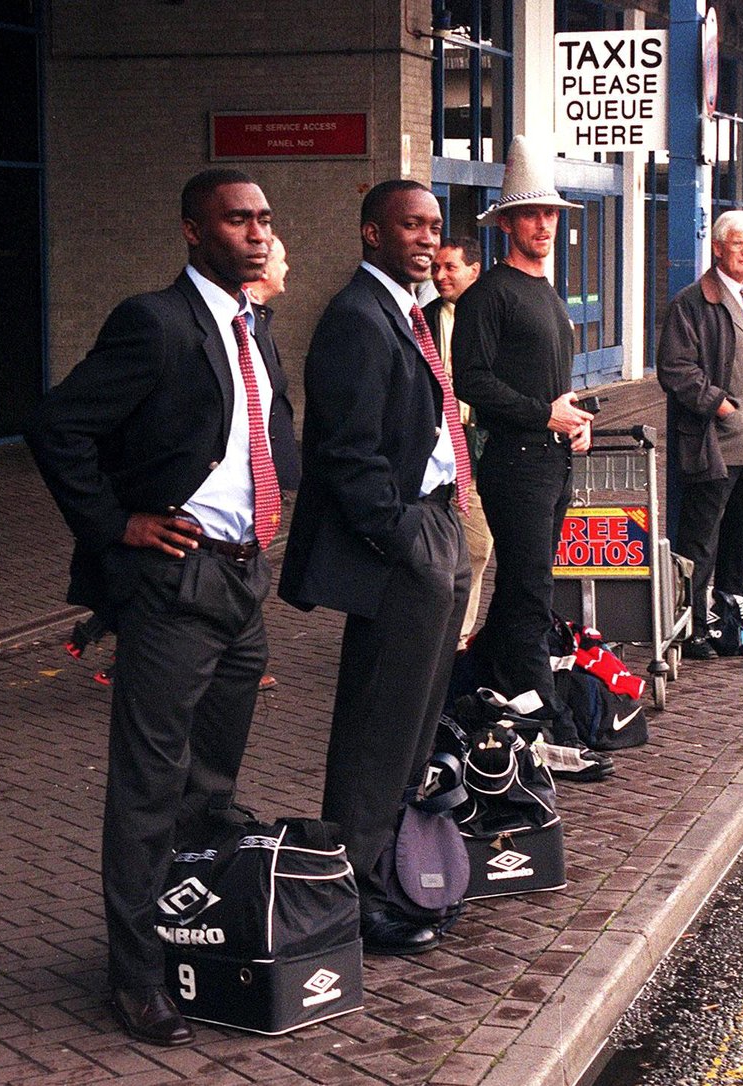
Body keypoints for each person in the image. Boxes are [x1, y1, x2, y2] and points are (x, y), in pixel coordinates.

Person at [24, 168, 298, 1046]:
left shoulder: (256, 331)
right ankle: (134, 976)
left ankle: (192, 925)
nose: (256, 233)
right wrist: (118, 526)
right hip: (174, 585)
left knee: (211, 786)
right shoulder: (154, 321)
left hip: (241, 583)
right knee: (148, 786)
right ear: (192, 231)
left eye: (262, 219)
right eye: (236, 219)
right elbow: (58, 426)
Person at [279, 180, 471, 957]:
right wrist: (398, 534)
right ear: (371, 233)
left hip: (434, 520)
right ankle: (352, 893)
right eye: (410, 226)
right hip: (402, 538)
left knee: (416, 720)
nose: (427, 239)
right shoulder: (356, 318)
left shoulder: (405, 311)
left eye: (433, 226)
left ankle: (393, 867)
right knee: (377, 724)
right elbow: (346, 450)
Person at [451, 135, 593, 736]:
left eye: (551, 214)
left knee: (524, 585)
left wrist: (575, 422)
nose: (544, 224)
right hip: (515, 463)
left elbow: (549, 383)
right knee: (531, 588)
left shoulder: (544, 292)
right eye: (532, 214)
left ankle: (487, 690)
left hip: (551, 459)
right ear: (507, 222)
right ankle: (545, 717)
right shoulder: (489, 296)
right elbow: (473, 381)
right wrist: (545, 417)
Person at [656, 208, 743, 660]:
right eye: (739, 244)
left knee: (740, 532)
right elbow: (675, 368)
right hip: (717, 441)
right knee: (700, 539)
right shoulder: (694, 301)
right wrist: (719, 402)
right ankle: (691, 627)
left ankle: (732, 614)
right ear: (717, 248)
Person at [424, 236, 493, 648]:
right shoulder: (425, 317)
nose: (440, 275)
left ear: (474, 269)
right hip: (438, 443)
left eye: (450, 267)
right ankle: (442, 631)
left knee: (478, 544)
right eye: (436, 267)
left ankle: (460, 634)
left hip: (480, 442)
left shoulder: (490, 315)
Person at [247, 234, 290, 692]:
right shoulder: (244, 324)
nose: (288, 268)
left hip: (264, 475)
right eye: (282, 260)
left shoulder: (260, 321)